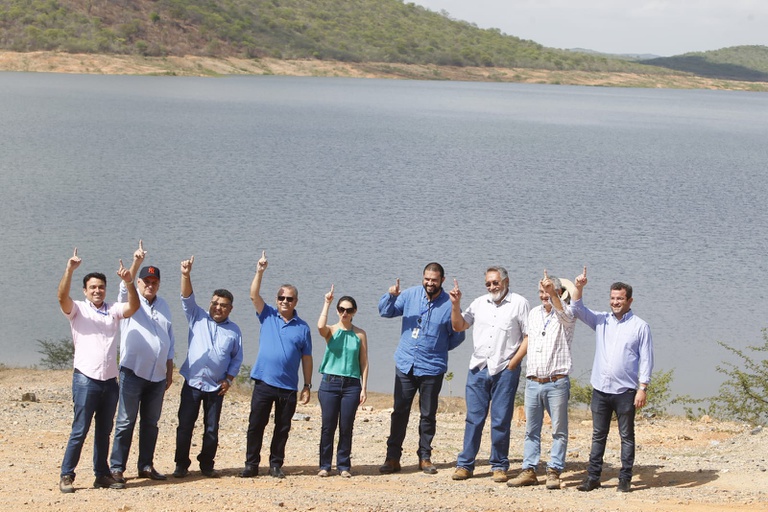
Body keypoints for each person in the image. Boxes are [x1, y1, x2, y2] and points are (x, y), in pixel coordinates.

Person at [57, 248, 140, 493]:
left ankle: (101, 475)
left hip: (109, 381)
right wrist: (69, 270)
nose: (97, 291)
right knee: (80, 429)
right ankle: (67, 475)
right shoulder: (78, 309)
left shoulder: (113, 309)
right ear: (85, 290)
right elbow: (62, 297)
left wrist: (129, 282)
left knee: (104, 432)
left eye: (101, 287)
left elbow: (133, 307)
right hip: (85, 379)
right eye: (92, 287)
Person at [572, 266, 654, 493]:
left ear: (630, 300)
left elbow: (646, 359)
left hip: (626, 391)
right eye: (612, 298)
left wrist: (643, 388)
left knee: (626, 436)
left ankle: (625, 479)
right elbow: (577, 309)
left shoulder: (640, 326)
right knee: (598, 435)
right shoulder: (601, 320)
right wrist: (578, 288)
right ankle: (593, 478)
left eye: (620, 299)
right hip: (600, 389)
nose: (615, 302)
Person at [378, 262, 465, 475]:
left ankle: (424, 457)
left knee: (428, 414)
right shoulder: (409, 295)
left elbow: (458, 334)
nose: (430, 283)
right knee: (400, 412)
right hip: (406, 363)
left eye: (434, 280)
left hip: (432, 368)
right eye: (427, 279)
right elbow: (385, 312)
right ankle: (392, 458)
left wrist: (438, 347)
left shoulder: (449, 303)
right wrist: (390, 295)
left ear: (442, 281)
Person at [449, 266, 529, 483]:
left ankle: (499, 465)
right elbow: (458, 326)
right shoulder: (478, 303)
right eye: (488, 283)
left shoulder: (519, 303)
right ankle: (465, 465)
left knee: (501, 419)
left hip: (505, 369)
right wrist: (455, 305)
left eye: (496, 282)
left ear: (506, 281)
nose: (492, 287)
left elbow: (528, 336)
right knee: (473, 419)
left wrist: (513, 363)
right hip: (478, 368)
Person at [240, 250, 313, 479]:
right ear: (276, 300)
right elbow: (253, 295)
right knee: (256, 425)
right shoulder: (267, 315)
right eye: (281, 298)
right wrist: (259, 271)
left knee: (282, 428)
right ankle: (251, 464)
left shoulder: (303, 327)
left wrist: (307, 385)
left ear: (295, 302)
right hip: (264, 382)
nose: (284, 301)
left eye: (289, 299)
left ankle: (275, 464)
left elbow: (307, 358)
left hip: (288, 387)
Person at [109, 240, 175, 486]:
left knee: (151, 423)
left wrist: (169, 369)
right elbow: (125, 285)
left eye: (154, 282)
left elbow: (170, 339)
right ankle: (116, 468)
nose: (150, 285)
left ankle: (145, 465)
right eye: (146, 281)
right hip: (133, 372)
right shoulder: (130, 300)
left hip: (157, 375)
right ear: (138, 283)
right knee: (125, 421)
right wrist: (136, 262)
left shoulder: (164, 305)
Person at [173, 255, 243, 479]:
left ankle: (206, 464)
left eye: (223, 305)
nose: (218, 308)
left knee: (211, 429)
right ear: (210, 303)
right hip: (192, 383)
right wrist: (186, 274)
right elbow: (187, 297)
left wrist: (229, 380)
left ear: (230, 309)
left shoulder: (234, 331)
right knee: (185, 425)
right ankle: (181, 464)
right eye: (215, 303)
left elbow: (236, 358)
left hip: (215, 387)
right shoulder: (197, 317)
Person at [507, 271, 577, 490]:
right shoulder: (534, 314)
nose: (544, 296)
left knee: (559, 430)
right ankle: (529, 470)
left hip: (556, 382)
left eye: (547, 291)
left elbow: (563, 312)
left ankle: (554, 470)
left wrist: (553, 294)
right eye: (541, 292)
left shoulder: (566, 313)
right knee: (531, 430)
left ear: (558, 293)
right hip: (533, 381)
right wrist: (514, 361)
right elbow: (528, 339)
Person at [316, 285, 369, 478]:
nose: (344, 313)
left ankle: (344, 465)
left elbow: (364, 362)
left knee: (346, 426)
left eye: (348, 310)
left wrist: (364, 387)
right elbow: (320, 327)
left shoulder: (360, 334)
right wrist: (327, 303)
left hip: (351, 386)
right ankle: (324, 465)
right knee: (328, 426)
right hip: (329, 383)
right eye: (341, 309)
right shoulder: (331, 330)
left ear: (354, 312)